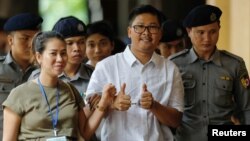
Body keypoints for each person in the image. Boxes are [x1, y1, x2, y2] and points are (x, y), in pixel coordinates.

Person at [85, 4, 184, 141]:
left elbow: (176, 121)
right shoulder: (106, 66)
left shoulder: (171, 69)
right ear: (129, 32)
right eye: (139, 27)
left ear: (160, 33)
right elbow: (90, 107)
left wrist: (154, 106)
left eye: (152, 27)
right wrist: (112, 103)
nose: (146, 32)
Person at [2, 31, 116, 141]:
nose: (60, 59)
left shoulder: (70, 90)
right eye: (53, 53)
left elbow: (84, 133)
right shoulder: (19, 94)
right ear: (39, 57)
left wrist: (103, 103)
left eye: (63, 53)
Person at [169, 5, 250, 141]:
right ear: (189, 31)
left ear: (219, 28)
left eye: (212, 32)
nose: (207, 38)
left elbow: (247, 109)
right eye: (200, 32)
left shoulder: (234, 64)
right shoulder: (174, 64)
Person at [0, 13, 43, 139]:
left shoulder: (45, 71)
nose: (31, 44)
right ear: (10, 40)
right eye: (25, 38)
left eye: (35, 39)